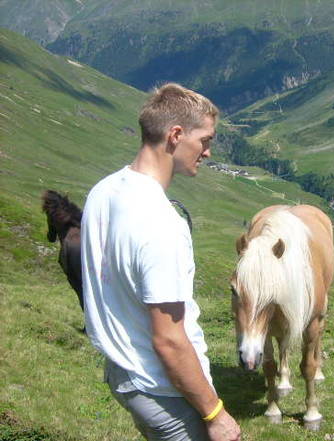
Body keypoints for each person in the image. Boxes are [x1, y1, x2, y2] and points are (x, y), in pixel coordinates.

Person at [81, 83, 241, 441]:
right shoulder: (161, 224)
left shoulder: (105, 190)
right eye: (205, 140)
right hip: (164, 389)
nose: (209, 152)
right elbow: (169, 340)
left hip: (123, 372)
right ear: (175, 135)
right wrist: (215, 414)